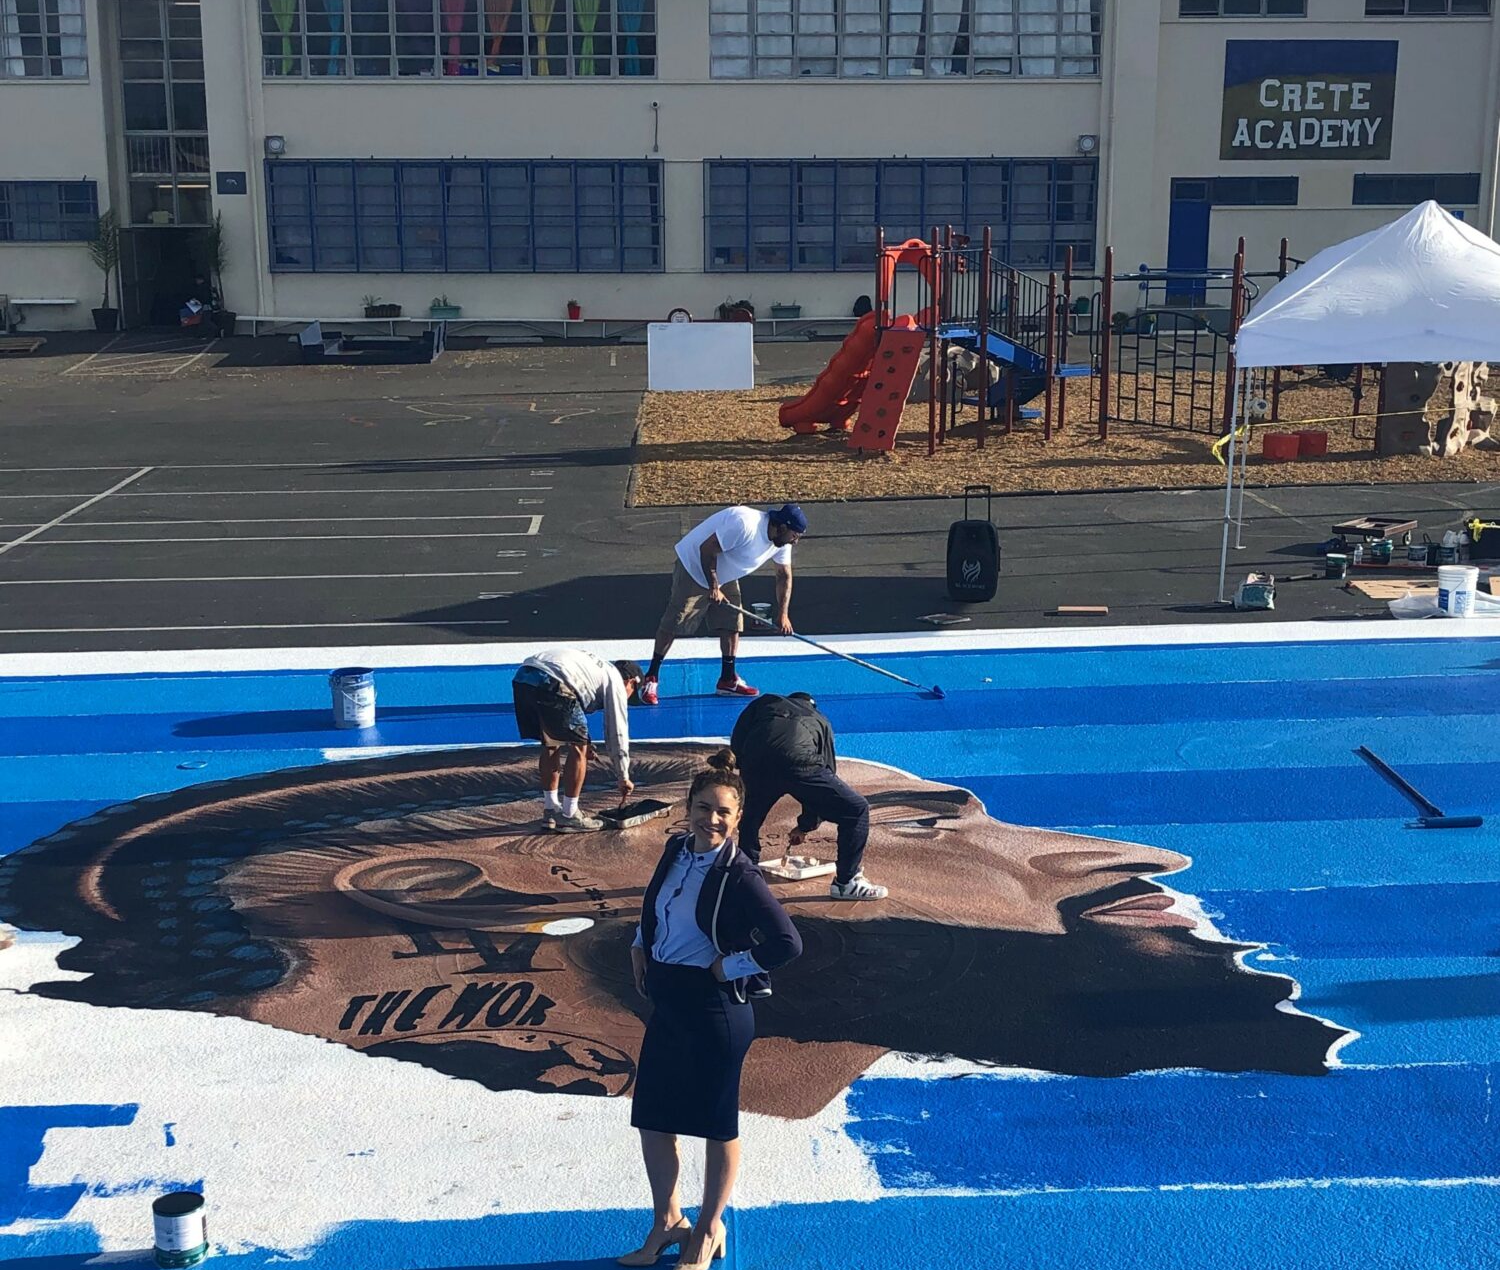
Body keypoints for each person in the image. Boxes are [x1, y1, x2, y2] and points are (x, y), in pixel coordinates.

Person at [0, 746, 1347, 1130]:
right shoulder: (694, 903)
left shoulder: (723, 901)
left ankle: (690, 1219)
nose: (1103, 851)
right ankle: (681, 1217)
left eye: (934, 815)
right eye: (933, 819)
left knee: (694, 1127)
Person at [618, 749, 802, 1270]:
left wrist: (732, 966)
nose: (712, 819)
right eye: (703, 808)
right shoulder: (675, 849)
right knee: (652, 1117)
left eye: (723, 811)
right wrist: (639, 944)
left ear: (738, 817)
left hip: (715, 1009)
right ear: (688, 808)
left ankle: (708, 1227)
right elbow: (657, 905)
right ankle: (667, 1221)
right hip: (668, 1001)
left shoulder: (740, 875)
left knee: (716, 1125)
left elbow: (787, 943)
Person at [639, 502, 808, 707]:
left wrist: (783, 615)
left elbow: (783, 576)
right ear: (781, 527)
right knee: (676, 622)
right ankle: (651, 677)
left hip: (724, 572)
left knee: (731, 622)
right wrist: (713, 586)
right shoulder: (745, 525)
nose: (795, 541)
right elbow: (706, 549)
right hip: (694, 565)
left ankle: (727, 680)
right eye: (794, 535)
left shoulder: (782, 543)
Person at [732, 690, 888, 903]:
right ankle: (846, 883)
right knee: (856, 809)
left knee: (750, 816)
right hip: (800, 763)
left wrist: (746, 771)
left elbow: (738, 739)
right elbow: (826, 772)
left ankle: (745, 877)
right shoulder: (820, 719)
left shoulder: (766, 702)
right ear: (812, 705)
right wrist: (806, 826)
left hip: (757, 761)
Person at [511, 646, 642, 832]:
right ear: (630, 682)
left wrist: (586, 741)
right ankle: (569, 814)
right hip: (553, 681)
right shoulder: (615, 680)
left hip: (525, 677)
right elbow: (617, 731)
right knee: (578, 749)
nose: (628, 699)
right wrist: (623, 776)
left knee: (550, 744)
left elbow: (570, 709)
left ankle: (550, 809)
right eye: (632, 694)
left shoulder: (596, 668)